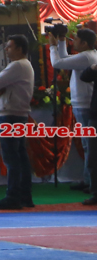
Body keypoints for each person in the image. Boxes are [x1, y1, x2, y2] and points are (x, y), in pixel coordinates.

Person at [0, 35, 36, 211]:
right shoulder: (25, 65)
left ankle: (13, 196)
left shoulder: (17, 65)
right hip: (18, 114)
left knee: (11, 157)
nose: (6, 49)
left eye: (9, 46)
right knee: (20, 156)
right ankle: (24, 195)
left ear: (19, 49)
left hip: (10, 114)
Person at [48, 27, 97, 201]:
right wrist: (61, 41)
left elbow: (57, 63)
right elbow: (66, 59)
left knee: (89, 147)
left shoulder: (86, 57)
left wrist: (52, 46)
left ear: (84, 43)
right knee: (87, 146)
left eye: (75, 39)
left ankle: (91, 183)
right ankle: (89, 180)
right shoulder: (89, 55)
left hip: (84, 104)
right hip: (84, 103)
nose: (73, 40)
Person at [79, 62, 97, 206]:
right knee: (93, 157)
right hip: (95, 117)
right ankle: (95, 193)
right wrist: (93, 67)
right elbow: (84, 77)